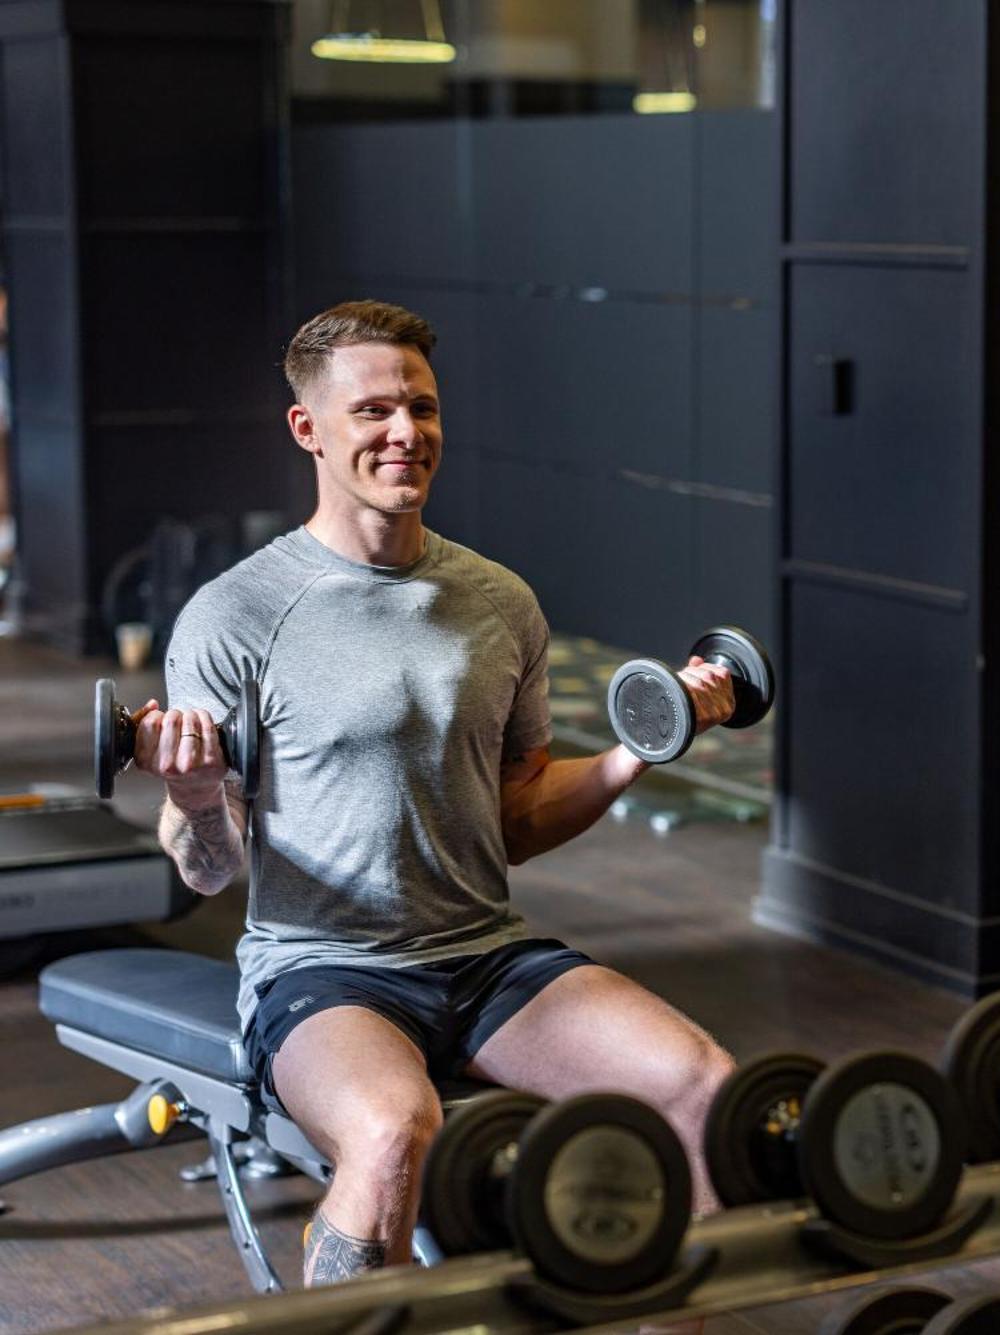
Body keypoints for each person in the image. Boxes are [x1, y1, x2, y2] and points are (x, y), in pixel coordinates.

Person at [125, 300, 737, 1286]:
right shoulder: (236, 615)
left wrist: (637, 752)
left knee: (704, 1090)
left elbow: (516, 819)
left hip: (485, 955)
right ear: (308, 430)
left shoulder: (497, 601)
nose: (405, 432)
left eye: (422, 407)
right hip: (325, 970)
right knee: (393, 1132)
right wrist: (199, 800)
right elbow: (204, 872)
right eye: (372, 411)